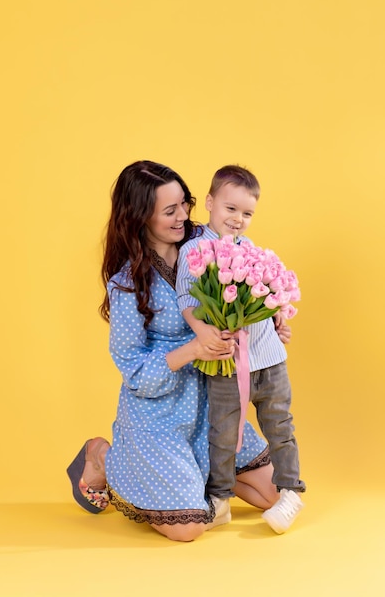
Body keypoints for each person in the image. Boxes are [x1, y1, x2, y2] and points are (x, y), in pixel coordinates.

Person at [67, 160, 279, 542]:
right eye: (170, 211)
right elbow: (133, 372)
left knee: (273, 494)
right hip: (158, 416)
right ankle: (102, 456)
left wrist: (266, 321)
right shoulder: (127, 283)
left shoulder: (207, 243)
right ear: (139, 217)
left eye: (185, 203)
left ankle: (189, 482)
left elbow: (247, 285)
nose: (184, 215)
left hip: (213, 403)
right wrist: (194, 348)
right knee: (189, 529)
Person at [176, 164, 305, 534]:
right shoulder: (194, 251)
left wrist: (278, 319)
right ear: (211, 202)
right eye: (230, 209)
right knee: (223, 432)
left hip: (269, 361)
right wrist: (204, 333)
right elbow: (187, 298)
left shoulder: (250, 250)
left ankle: (292, 491)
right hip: (225, 363)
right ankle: (219, 500)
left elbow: (266, 297)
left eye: (247, 213)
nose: (238, 219)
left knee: (280, 425)